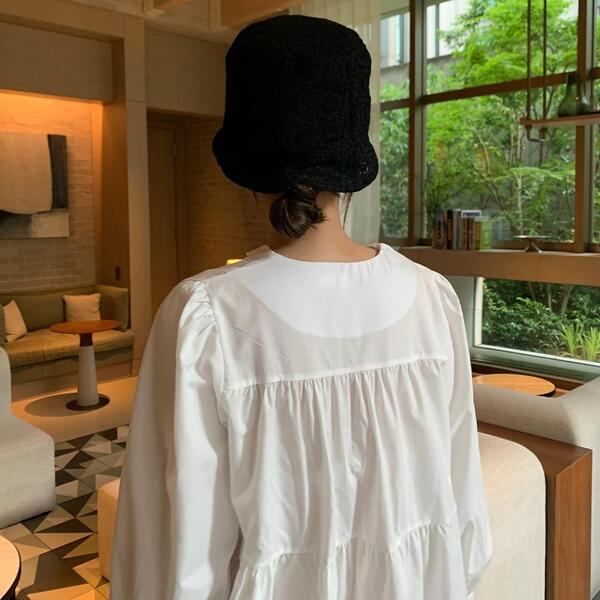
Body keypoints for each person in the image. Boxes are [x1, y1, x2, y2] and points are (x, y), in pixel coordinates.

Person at [110, 13, 493, 600]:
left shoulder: (207, 317)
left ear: (246, 170)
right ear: (352, 165)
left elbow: (177, 548)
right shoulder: (432, 298)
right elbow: (463, 514)